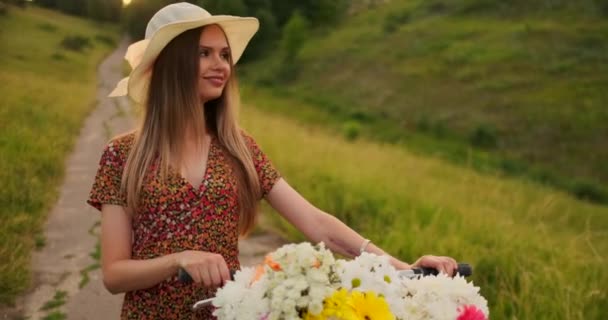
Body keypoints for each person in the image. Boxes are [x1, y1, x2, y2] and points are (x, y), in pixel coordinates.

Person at [88, 2, 458, 319]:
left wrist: (401, 268)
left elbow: (317, 224)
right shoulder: (122, 155)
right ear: (170, 64)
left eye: (225, 54)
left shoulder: (238, 148)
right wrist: (178, 259)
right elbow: (114, 274)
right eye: (204, 53)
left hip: (227, 313)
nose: (221, 65)